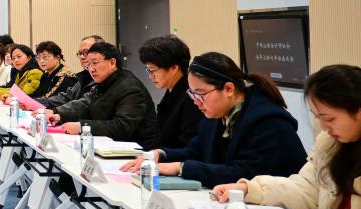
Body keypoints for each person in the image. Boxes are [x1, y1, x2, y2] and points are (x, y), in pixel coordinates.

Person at [212, 64, 359, 209]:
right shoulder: (329, 144)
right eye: (317, 117)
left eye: (329, 119)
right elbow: (304, 189)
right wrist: (250, 189)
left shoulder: (266, 119)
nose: (324, 127)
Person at [121, 52, 306, 187]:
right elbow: (195, 151)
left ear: (228, 89)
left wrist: (181, 168)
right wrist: (160, 155)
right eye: (192, 94)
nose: (196, 102)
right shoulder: (217, 115)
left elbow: (243, 175)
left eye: (201, 94)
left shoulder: (268, 123)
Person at [48, 41, 157, 149]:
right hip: (111, 145)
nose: (91, 69)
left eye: (95, 63)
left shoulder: (130, 87)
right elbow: (86, 105)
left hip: (137, 150)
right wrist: (60, 115)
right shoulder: (103, 82)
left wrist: (81, 127)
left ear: (112, 63)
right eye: (88, 65)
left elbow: (122, 126)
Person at [139, 35, 203, 149]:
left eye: (153, 70)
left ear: (174, 68)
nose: (150, 76)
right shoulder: (171, 92)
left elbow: (188, 146)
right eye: (148, 70)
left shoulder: (191, 98)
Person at [42, 35, 104, 109]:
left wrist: (56, 111)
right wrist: (39, 102)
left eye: (86, 52)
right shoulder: (84, 76)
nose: (82, 57)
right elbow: (67, 96)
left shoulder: (67, 76)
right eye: (80, 53)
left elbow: (84, 105)